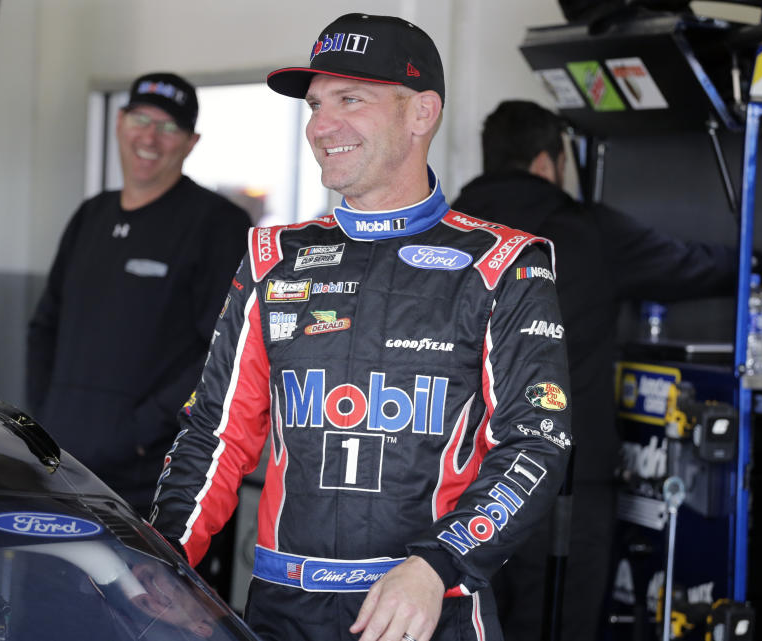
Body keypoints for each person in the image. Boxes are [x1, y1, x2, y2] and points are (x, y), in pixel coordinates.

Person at [151, 14, 573, 641]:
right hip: (280, 609)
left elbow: (537, 443)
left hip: (428, 609)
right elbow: (215, 433)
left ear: (421, 112)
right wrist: (161, 559)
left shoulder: (502, 265)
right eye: (316, 105)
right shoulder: (274, 258)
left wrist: (437, 566)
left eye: (351, 100)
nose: (321, 126)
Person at [451, 99, 762, 641]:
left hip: (457, 479)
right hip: (562, 483)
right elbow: (684, 262)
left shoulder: (446, 229)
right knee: (560, 623)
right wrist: (759, 266)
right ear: (546, 162)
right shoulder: (584, 229)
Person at [27, 72, 251, 515]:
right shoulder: (91, 215)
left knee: (139, 587)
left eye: (169, 128)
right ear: (119, 123)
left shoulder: (218, 225)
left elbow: (221, 352)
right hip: (60, 464)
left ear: (191, 142)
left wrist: (139, 433)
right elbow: (44, 324)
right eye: (141, 120)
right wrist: (43, 420)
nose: (151, 137)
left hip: (149, 475)